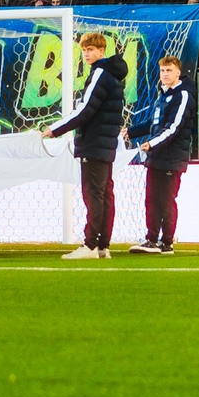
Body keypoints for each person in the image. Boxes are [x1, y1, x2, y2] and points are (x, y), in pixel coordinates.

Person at [43, 32, 127, 259]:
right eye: (84, 50)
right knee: (104, 193)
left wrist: (55, 129)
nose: (87, 54)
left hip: (95, 142)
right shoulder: (113, 75)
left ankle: (90, 245)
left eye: (91, 49)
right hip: (105, 143)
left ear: (102, 50)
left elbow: (85, 109)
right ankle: (102, 246)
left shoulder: (100, 73)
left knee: (94, 194)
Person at [129, 55, 195, 255]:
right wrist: (130, 132)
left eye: (169, 70)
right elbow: (153, 124)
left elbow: (174, 127)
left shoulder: (183, 96)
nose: (165, 74)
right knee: (152, 200)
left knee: (166, 200)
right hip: (157, 156)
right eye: (162, 71)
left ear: (178, 72)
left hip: (172, 157)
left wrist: (152, 143)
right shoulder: (162, 96)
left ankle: (167, 243)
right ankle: (151, 240)